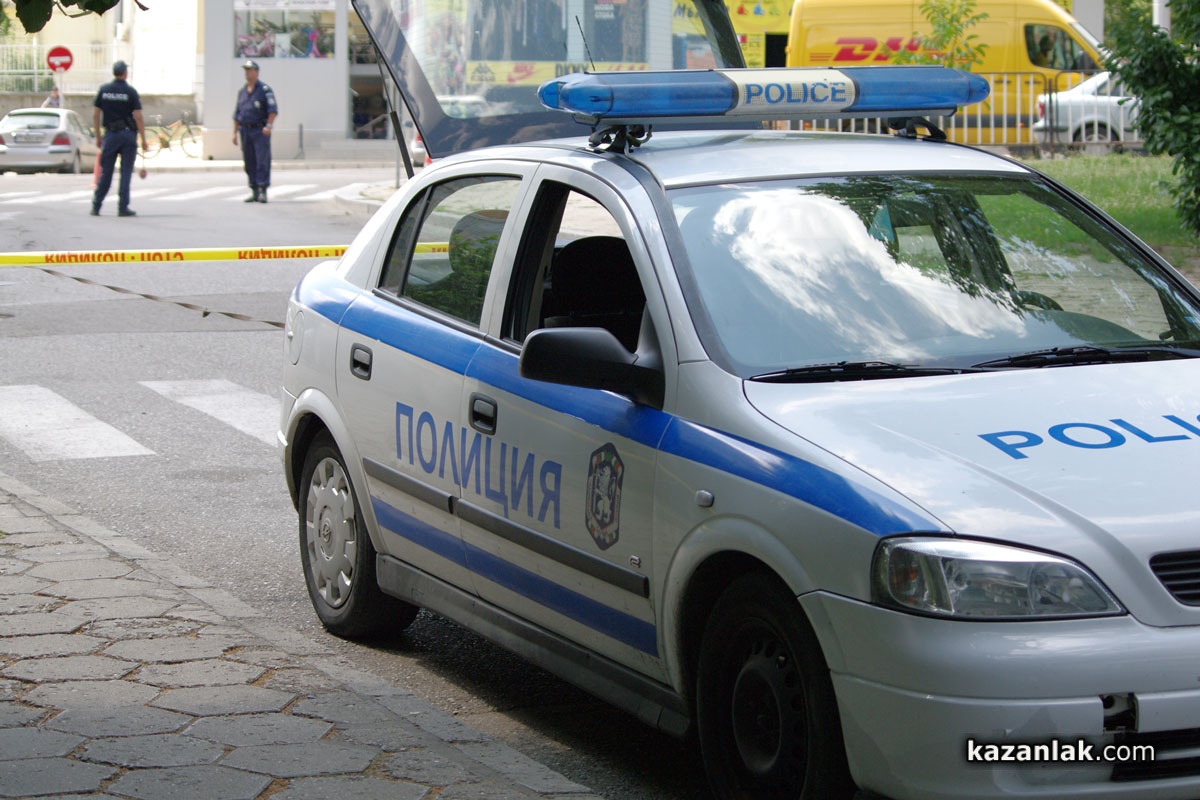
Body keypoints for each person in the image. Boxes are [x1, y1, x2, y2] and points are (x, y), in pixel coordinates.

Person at [91, 61, 146, 218]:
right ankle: (123, 208)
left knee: (106, 172)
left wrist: (98, 136)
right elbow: (138, 116)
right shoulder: (130, 92)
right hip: (128, 136)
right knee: (126, 172)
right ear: (125, 73)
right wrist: (143, 138)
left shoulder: (104, 90)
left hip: (111, 135)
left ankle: (96, 205)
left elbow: (95, 114)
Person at [233, 59, 278, 203]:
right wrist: (234, 133)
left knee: (262, 160)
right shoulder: (242, 92)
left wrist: (268, 126)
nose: (247, 73)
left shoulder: (264, 90)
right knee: (249, 161)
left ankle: (262, 190)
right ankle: (253, 190)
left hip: (259, 131)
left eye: (250, 70)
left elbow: (273, 110)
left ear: (256, 72)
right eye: (245, 70)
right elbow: (237, 114)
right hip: (245, 131)